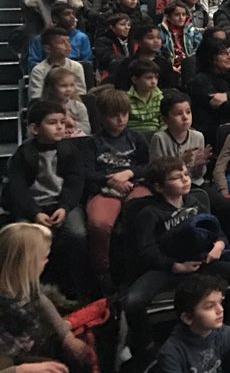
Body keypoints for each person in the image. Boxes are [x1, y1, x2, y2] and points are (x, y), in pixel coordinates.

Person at [123, 157, 230, 355]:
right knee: (133, 302)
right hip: (168, 268)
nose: (185, 180)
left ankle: (228, 329)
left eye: (186, 174)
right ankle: (146, 348)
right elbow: (147, 251)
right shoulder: (149, 213)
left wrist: (218, 246)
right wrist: (175, 266)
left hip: (200, 261)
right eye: (177, 177)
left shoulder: (194, 202)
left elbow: (217, 231)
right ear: (159, 187)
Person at [1, 102, 88, 298]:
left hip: (62, 204)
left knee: (77, 234)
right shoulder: (23, 154)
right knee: (24, 241)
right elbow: (17, 189)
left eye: (62, 122)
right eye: (52, 123)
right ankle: (26, 289)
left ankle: (77, 289)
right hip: (32, 206)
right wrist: (34, 213)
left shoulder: (70, 150)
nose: (60, 127)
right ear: (35, 129)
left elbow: (75, 183)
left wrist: (65, 207)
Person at [0, 223, 91, 373]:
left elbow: (42, 300)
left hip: (22, 347)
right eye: (44, 257)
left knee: (79, 356)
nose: (47, 262)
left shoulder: (22, 285)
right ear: (27, 263)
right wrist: (21, 372)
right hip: (6, 364)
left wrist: (66, 336)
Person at [83, 86, 151, 288]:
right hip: (104, 189)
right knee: (99, 225)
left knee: (145, 215)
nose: (121, 120)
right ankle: (102, 273)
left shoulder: (136, 138)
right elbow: (86, 173)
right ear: (102, 117)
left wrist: (130, 173)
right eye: (114, 116)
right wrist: (110, 180)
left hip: (134, 185)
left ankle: (145, 265)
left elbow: (148, 167)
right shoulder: (92, 142)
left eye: (124, 114)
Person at [27, 28, 86, 103]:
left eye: (68, 42)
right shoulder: (39, 70)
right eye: (62, 42)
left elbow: (81, 95)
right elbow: (36, 99)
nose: (68, 46)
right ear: (47, 48)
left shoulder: (77, 67)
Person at [127, 58, 164, 136]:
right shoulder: (126, 99)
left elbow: (164, 121)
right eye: (149, 78)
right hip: (134, 137)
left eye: (156, 78)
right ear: (135, 80)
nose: (154, 81)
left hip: (156, 136)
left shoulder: (160, 98)